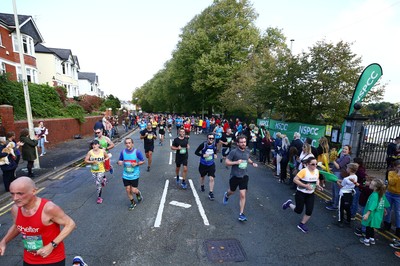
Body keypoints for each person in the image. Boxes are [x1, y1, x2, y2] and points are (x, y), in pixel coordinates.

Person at [0, 176, 76, 265]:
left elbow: (70, 224)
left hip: (52, 259)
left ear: (34, 191)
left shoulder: (48, 208)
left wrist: (51, 245)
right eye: (12, 194)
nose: (15, 198)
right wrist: (4, 241)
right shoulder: (15, 209)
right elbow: (17, 226)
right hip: (29, 259)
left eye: (20, 193)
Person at [282, 157, 323, 233]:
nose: (315, 166)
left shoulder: (317, 171)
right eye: (313, 164)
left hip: (310, 194)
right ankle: (289, 204)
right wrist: (305, 186)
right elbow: (295, 179)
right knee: (298, 210)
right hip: (301, 193)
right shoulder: (304, 171)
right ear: (307, 164)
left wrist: (318, 185)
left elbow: (317, 179)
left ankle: (301, 224)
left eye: (316, 164)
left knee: (309, 211)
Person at [223, 135, 258, 221]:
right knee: (232, 191)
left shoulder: (247, 151)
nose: (243, 144)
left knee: (243, 195)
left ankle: (241, 214)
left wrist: (252, 163)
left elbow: (247, 159)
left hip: (244, 176)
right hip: (235, 176)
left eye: (244, 142)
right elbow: (226, 162)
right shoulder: (234, 152)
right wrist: (236, 162)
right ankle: (226, 195)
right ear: (238, 143)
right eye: (241, 142)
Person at [359, 179, 390, 246]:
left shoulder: (374, 195)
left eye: (371, 184)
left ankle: (366, 240)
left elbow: (373, 205)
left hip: (372, 214)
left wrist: (367, 214)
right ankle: (372, 239)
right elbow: (383, 202)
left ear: (375, 187)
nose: (370, 184)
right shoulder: (381, 193)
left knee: (368, 226)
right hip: (378, 214)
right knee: (372, 227)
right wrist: (384, 209)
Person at [118, 138, 145, 210]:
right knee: (127, 189)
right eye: (126, 143)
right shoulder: (123, 152)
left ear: (132, 144)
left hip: (134, 174)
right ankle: (132, 202)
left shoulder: (137, 152)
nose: (128, 144)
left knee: (133, 190)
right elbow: (120, 160)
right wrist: (119, 162)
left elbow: (143, 161)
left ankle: (138, 193)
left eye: (129, 143)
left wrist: (136, 163)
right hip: (125, 174)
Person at [326, 145, 351, 211]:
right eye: (343, 148)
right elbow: (336, 166)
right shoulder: (343, 156)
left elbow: (338, 167)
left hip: (339, 175)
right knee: (333, 189)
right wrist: (330, 168)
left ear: (349, 151)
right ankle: (333, 201)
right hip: (336, 173)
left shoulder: (347, 158)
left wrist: (333, 160)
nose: (344, 150)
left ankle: (335, 206)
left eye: (346, 149)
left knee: (337, 190)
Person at [84, 139, 110, 204]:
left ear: (98, 145)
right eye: (93, 144)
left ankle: (99, 197)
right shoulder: (90, 152)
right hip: (93, 170)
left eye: (95, 144)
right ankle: (103, 180)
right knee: (97, 183)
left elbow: (107, 157)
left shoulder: (102, 151)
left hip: (101, 170)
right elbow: (85, 160)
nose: (94, 146)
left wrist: (105, 160)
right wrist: (92, 161)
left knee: (98, 183)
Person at [195, 133, 218, 200]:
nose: (211, 140)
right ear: (207, 138)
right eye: (210, 138)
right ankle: (202, 185)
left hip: (211, 164)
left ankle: (211, 193)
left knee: (212, 178)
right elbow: (196, 152)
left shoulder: (214, 144)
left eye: (212, 138)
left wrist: (215, 155)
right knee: (202, 177)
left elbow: (215, 151)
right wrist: (202, 155)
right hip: (203, 164)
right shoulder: (203, 145)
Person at [335, 163, 359, 227]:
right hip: (350, 194)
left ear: (350, 169)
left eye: (347, 168)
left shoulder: (346, 179)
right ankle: (348, 221)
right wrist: (341, 180)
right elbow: (349, 183)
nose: (346, 169)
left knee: (341, 208)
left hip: (343, 194)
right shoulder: (355, 177)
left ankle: (340, 221)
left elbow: (341, 186)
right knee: (348, 208)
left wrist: (337, 182)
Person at [383, 159, 400, 239]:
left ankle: (398, 229)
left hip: (398, 195)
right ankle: (387, 224)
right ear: (395, 167)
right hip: (389, 193)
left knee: (398, 212)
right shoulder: (391, 173)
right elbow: (392, 182)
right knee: (387, 209)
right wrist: (398, 175)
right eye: (398, 167)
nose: (399, 169)